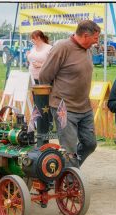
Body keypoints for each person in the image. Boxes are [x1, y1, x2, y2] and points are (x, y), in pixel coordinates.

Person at [39, 20, 101, 168]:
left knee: (90, 144)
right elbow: (44, 76)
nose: (97, 42)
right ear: (86, 35)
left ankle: (69, 170)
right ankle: (70, 181)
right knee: (69, 150)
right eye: (96, 38)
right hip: (64, 108)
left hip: (84, 107)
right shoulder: (62, 48)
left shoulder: (88, 49)